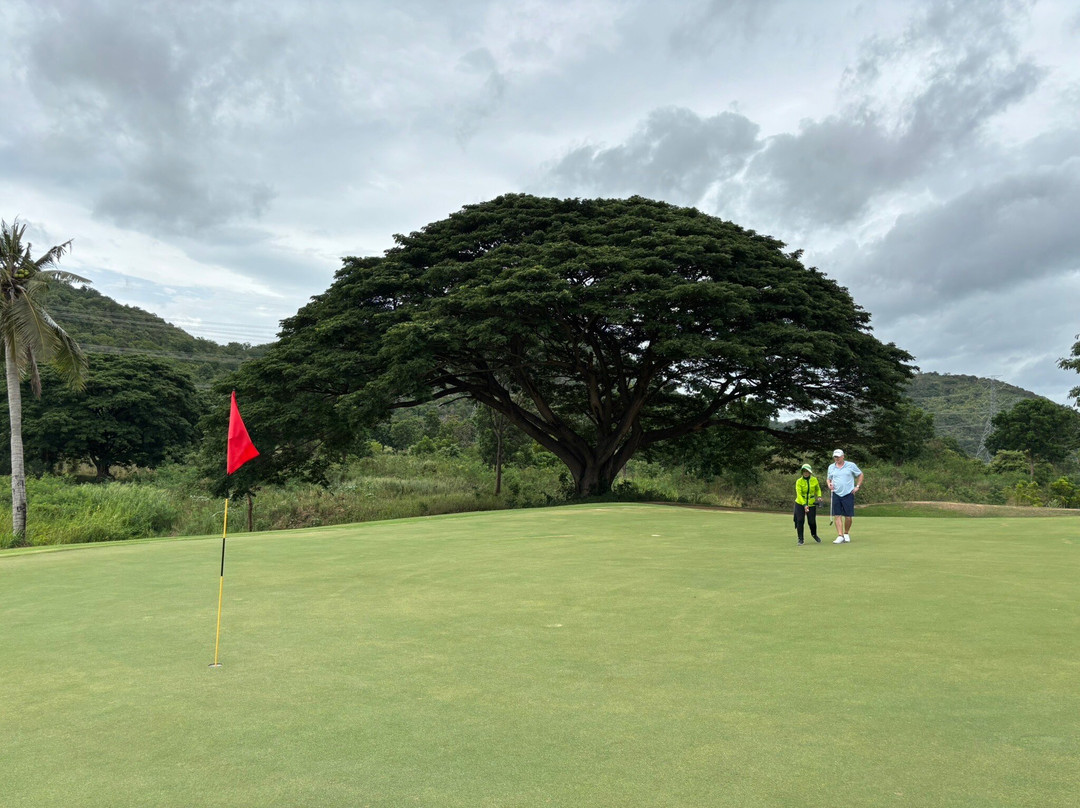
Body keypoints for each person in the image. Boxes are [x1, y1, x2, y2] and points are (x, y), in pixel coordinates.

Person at [827, 449, 863, 543]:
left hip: (848, 493)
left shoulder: (851, 465)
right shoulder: (831, 467)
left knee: (848, 517)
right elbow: (829, 479)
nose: (836, 459)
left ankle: (846, 533)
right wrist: (829, 484)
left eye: (838, 457)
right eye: (835, 457)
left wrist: (857, 486)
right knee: (837, 515)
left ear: (843, 456)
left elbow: (860, 474)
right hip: (836, 493)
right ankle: (840, 535)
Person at [793, 464, 823, 545]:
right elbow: (799, 494)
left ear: (810, 472)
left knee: (812, 522)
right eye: (804, 471)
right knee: (800, 521)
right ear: (802, 472)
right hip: (800, 503)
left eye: (807, 471)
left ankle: (814, 534)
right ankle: (800, 539)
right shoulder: (799, 481)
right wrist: (804, 505)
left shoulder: (814, 480)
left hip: (811, 503)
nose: (806, 473)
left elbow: (818, 489)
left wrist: (819, 496)